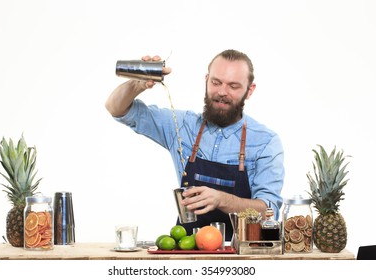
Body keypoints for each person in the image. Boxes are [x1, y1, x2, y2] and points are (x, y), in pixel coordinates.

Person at [105, 50, 284, 240]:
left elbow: (268, 210)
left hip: (242, 257)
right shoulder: (181, 126)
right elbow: (116, 109)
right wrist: (137, 84)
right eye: (216, 82)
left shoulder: (265, 142)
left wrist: (222, 200)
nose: (222, 92)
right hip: (187, 251)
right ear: (206, 80)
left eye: (233, 86)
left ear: (249, 90)